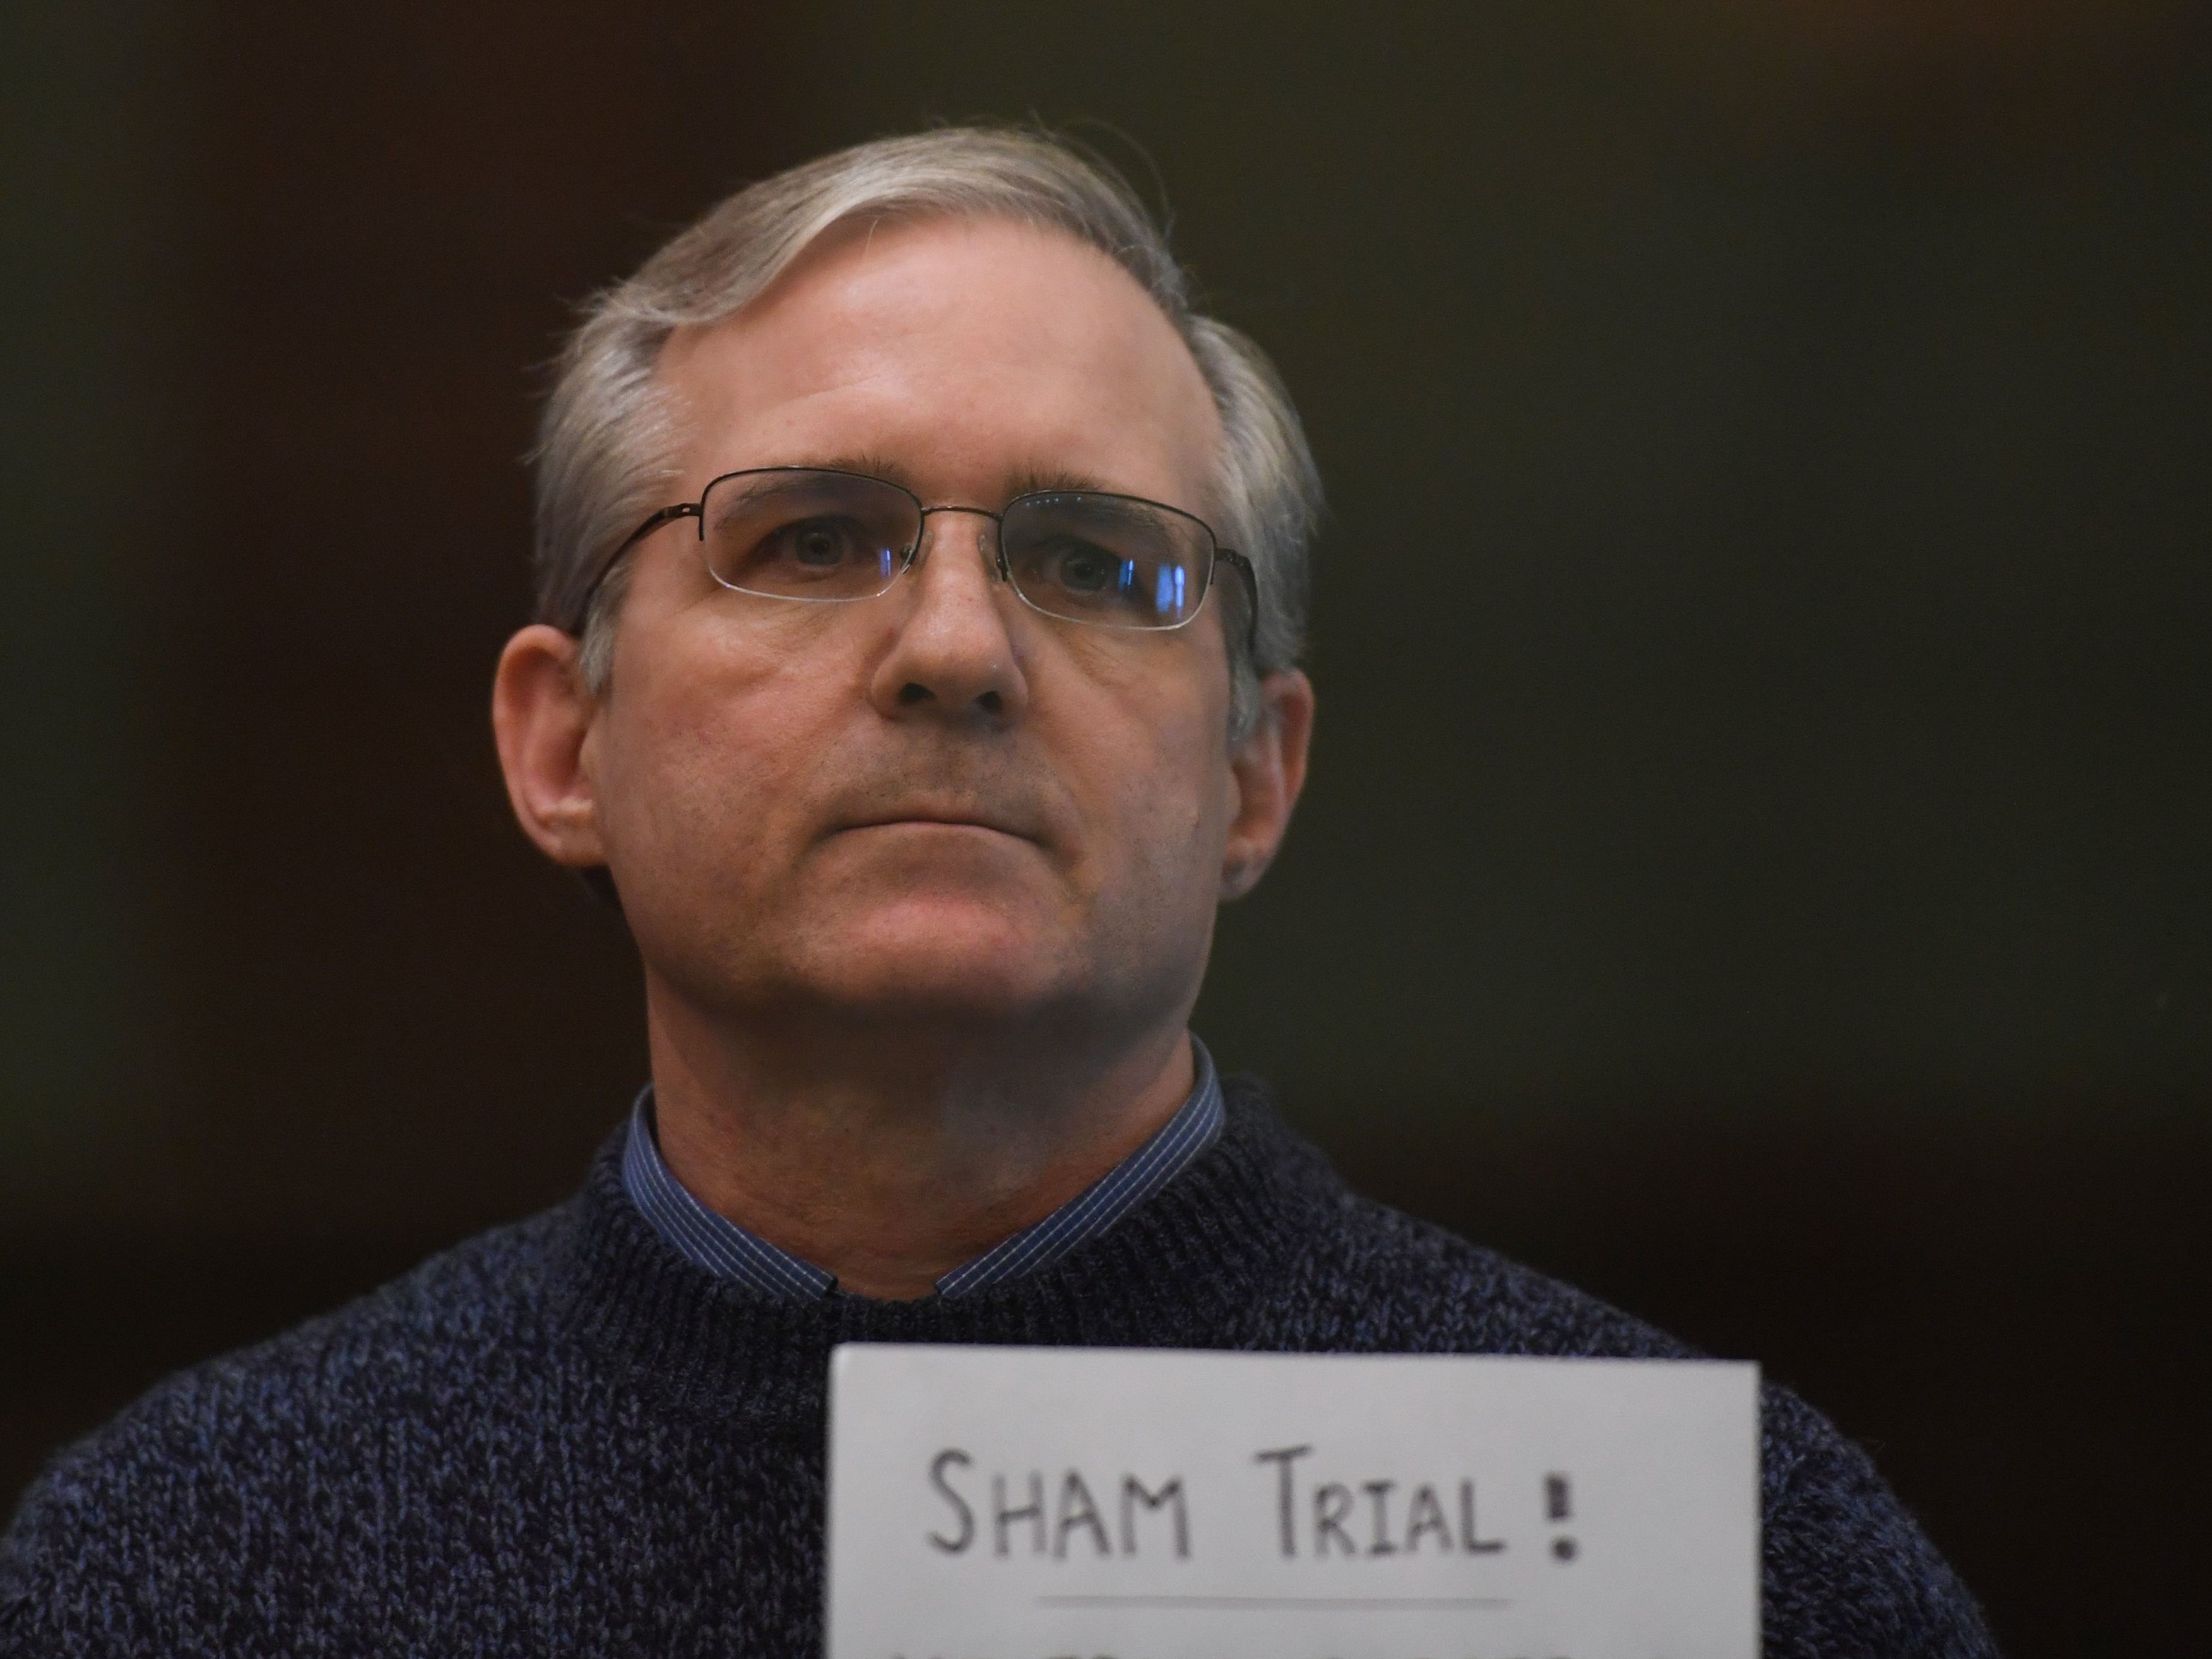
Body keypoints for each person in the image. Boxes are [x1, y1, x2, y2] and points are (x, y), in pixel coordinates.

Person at [0, 126, 1997, 1657]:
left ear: (1252, 776)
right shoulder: (191, 1560)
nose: (953, 644)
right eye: (808, 538)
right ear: (561, 746)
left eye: (1099, 562)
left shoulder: (1715, 1560)